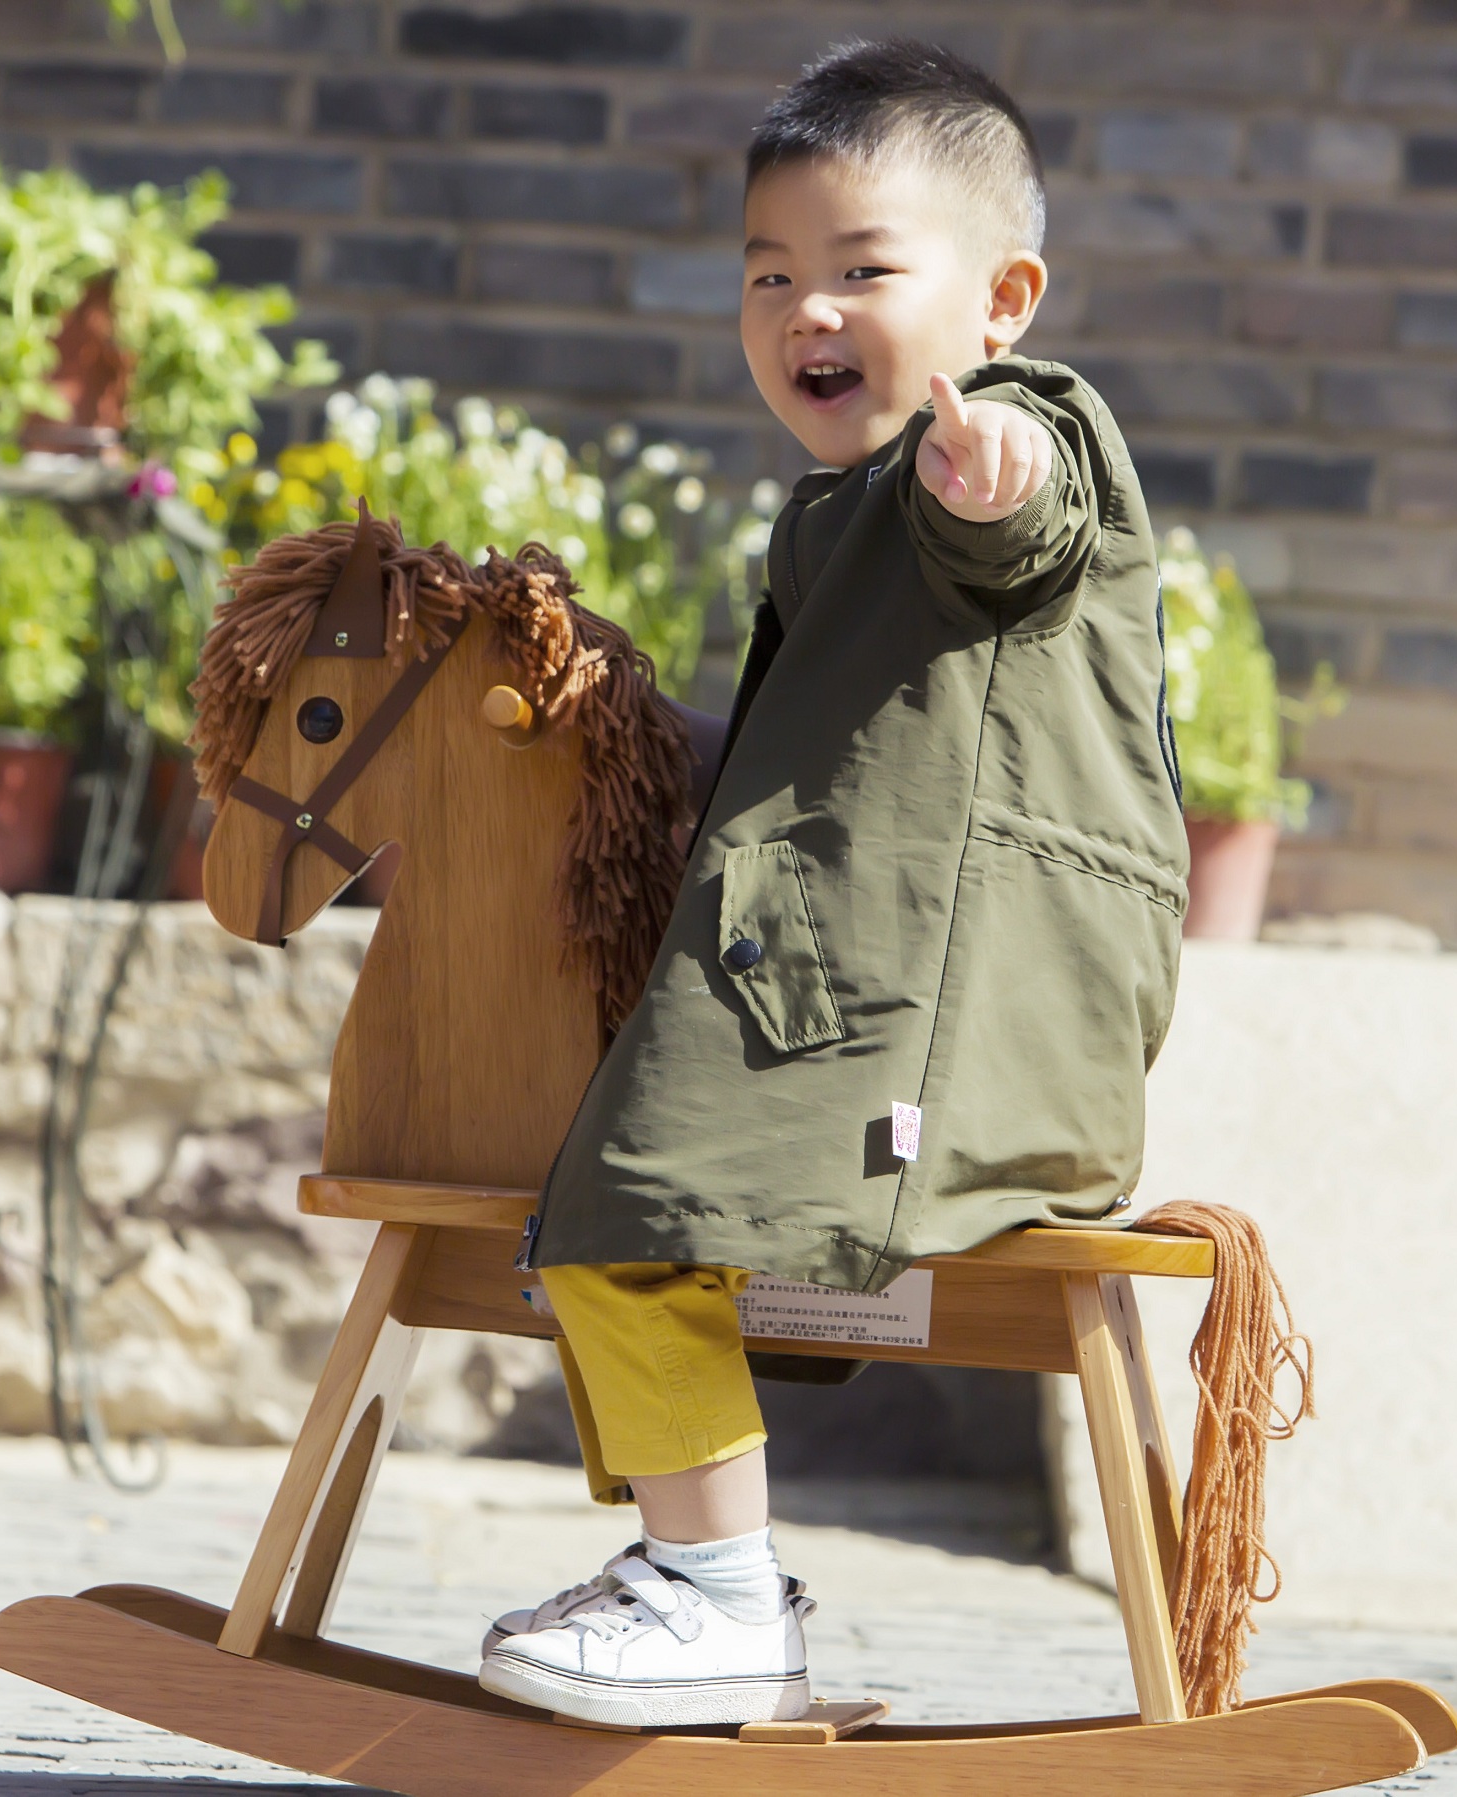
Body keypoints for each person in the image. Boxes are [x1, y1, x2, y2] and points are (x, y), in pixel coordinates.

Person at [478, 37, 1187, 1729]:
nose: (809, 308)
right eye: (770, 272)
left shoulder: (1019, 433)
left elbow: (1020, 530)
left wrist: (988, 482)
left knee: (636, 1187)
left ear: (1004, 298)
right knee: (599, 1177)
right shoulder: (835, 513)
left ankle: (713, 1590)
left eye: (865, 269)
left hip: (964, 1002)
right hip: (868, 981)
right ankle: (689, 1570)